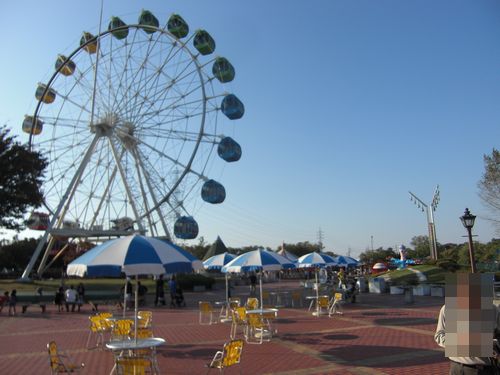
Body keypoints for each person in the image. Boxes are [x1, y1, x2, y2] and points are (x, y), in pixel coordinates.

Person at [434, 273, 500, 374]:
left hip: (484, 369)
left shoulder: (493, 310)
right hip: (457, 367)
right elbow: (439, 336)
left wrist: (493, 343)